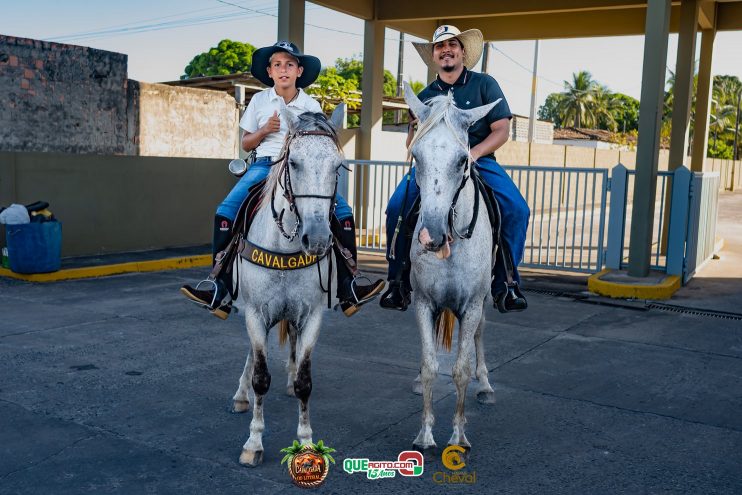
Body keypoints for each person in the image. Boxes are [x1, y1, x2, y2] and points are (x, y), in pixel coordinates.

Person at [181, 41, 384, 319]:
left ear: (299, 71)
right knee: (226, 211)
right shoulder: (259, 101)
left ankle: (350, 285)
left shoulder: (310, 104)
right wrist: (265, 129)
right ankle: (218, 285)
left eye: (289, 64)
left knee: (344, 213)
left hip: (301, 167)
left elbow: (321, 140)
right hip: (265, 164)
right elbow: (246, 143)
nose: (283, 69)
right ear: (270, 71)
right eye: (277, 65)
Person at [379, 25, 530, 313]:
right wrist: (412, 132)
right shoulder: (423, 95)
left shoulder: (484, 84)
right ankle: (397, 283)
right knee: (396, 207)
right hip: (433, 165)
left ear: (462, 52)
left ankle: (506, 284)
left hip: (478, 159)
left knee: (517, 210)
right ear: (434, 56)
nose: (446, 50)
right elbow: (411, 143)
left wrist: (473, 153)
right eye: (440, 46)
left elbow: (501, 129)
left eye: (452, 45)